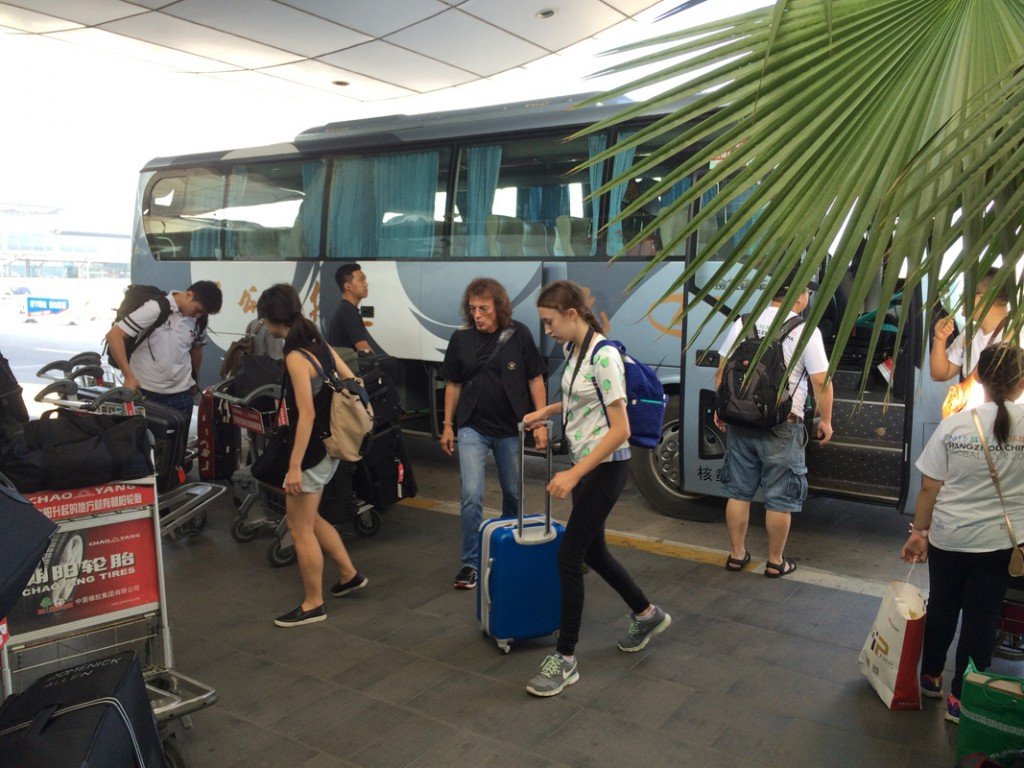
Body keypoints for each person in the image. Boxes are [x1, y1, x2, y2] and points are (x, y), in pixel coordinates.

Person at [521, 280, 670, 697]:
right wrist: (546, 411)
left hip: (605, 469)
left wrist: (574, 473)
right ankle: (647, 613)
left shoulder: (603, 356)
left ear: (572, 314)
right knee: (594, 551)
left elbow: (620, 428)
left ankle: (565, 658)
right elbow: (582, 400)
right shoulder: (576, 350)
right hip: (588, 467)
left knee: (570, 557)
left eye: (550, 321)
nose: (546, 329)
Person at [902, 343, 1024, 724]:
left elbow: (929, 488)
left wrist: (919, 532)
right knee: (982, 619)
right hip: (1000, 543)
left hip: (949, 537)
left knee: (941, 606)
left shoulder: (954, 424)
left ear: (980, 379)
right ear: (1021, 383)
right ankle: (962, 698)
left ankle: (931, 678)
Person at [257, 284, 368, 628]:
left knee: (298, 528)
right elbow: (352, 380)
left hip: (311, 452)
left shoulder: (294, 356)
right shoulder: (315, 341)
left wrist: (293, 467)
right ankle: (348, 574)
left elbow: (304, 414)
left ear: (271, 320)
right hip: (331, 445)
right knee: (311, 519)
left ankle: (313, 603)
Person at [713, 269, 834, 578]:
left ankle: (737, 555)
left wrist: (721, 409)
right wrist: (826, 419)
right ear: (798, 296)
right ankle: (775, 561)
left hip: (741, 420)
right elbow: (821, 381)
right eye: (807, 292)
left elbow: (723, 369)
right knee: (780, 497)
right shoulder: (805, 331)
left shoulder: (744, 322)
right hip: (783, 424)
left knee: (738, 492)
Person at [440, 278, 548, 590]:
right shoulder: (461, 339)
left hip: (510, 428)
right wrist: (448, 425)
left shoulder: (519, 334)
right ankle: (471, 563)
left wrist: (539, 423)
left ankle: (507, 548)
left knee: (513, 493)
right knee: (471, 495)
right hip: (473, 426)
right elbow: (453, 383)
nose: (477, 315)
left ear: (498, 308)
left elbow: (535, 379)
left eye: (484, 309)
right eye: (472, 309)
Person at [105, 280, 223, 420]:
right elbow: (114, 336)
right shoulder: (156, 308)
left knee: (179, 440)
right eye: (198, 310)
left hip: (182, 394)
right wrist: (129, 377)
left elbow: (196, 348)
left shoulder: (200, 320)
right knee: (144, 439)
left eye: (203, 313)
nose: (198, 315)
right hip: (146, 391)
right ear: (188, 295)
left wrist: (194, 378)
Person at [931, 268, 1011, 413]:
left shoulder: (1017, 336)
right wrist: (940, 339)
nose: (962, 297)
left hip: (1004, 429)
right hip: (972, 425)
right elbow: (939, 374)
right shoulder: (970, 333)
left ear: (983, 297)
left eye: (966, 291)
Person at [327, 263, 385, 356]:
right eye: (361, 280)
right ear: (348, 286)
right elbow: (364, 350)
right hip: (350, 368)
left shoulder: (344, 308)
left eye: (365, 279)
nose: (366, 284)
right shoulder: (348, 311)